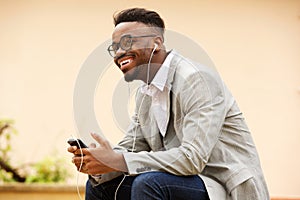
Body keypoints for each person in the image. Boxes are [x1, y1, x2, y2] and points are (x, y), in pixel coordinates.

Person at [68, 8, 270, 200]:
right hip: (181, 182)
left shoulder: (197, 80)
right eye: (115, 47)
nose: (119, 52)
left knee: (149, 183)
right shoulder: (144, 94)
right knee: (101, 184)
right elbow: (132, 148)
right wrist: (100, 162)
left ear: (157, 43)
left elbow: (192, 159)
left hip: (222, 185)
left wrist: (118, 161)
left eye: (127, 42)